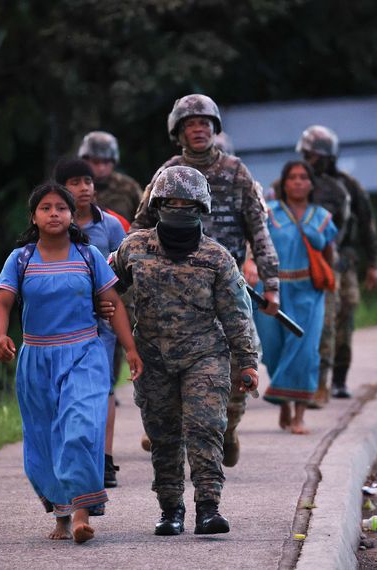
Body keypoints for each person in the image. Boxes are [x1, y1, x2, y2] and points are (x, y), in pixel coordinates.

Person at [131, 94, 279, 467]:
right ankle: (179, 436)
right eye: (190, 124)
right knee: (171, 374)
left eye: (204, 123)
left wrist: (271, 282)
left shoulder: (236, 171)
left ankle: (225, 430)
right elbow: (140, 229)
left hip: (227, 288)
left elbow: (258, 230)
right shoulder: (167, 173)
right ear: (178, 132)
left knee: (236, 374)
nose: (198, 129)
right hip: (172, 293)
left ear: (215, 129)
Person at [0, 182, 142, 543]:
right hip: (37, 359)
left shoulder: (88, 255)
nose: (54, 213)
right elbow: (2, 303)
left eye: (61, 207)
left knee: (81, 426)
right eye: (46, 207)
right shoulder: (21, 259)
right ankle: (61, 514)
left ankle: (81, 513)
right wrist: (0, 335)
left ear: (73, 216)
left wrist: (131, 349)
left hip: (84, 353)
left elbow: (114, 304)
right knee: (45, 440)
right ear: (34, 216)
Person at [112, 166, 259, 535]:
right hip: (152, 357)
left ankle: (208, 507)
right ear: (159, 205)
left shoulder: (217, 257)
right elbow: (105, 285)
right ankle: (170, 509)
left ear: (201, 207)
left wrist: (247, 362)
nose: (179, 208)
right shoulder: (134, 247)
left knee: (205, 429)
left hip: (205, 355)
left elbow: (236, 314)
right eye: (172, 202)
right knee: (163, 435)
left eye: (187, 203)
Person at [54, 158, 127, 488]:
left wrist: (106, 298)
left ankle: (105, 458)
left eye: (88, 181)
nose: (84, 188)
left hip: (103, 323)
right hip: (60, 324)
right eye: (74, 182)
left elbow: (124, 273)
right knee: (66, 390)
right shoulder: (53, 226)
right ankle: (72, 457)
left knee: (104, 387)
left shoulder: (111, 226)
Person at [269, 127, 351, 407]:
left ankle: (320, 386)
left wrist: (327, 273)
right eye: (293, 178)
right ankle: (285, 394)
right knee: (278, 341)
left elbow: (351, 227)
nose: (299, 182)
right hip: (284, 277)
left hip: (320, 271)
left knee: (322, 333)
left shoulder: (340, 190)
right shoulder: (275, 202)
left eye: (314, 155)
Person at [256, 161, 337, 434]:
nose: (299, 182)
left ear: (311, 184)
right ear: (285, 182)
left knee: (304, 351)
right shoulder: (270, 213)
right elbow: (255, 246)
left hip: (308, 291)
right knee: (274, 349)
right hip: (271, 288)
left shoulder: (322, 217)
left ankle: (300, 415)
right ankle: (284, 406)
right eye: (293, 177)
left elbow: (329, 256)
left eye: (304, 177)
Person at [304, 125, 377, 398]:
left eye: (314, 155)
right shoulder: (297, 181)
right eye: (307, 154)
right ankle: (308, 378)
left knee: (345, 313)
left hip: (343, 260)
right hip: (303, 261)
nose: (311, 161)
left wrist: (374, 264)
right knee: (309, 320)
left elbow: (367, 225)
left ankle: (339, 379)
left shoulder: (348, 186)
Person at [78, 130, 143, 225]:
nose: (101, 168)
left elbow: (144, 220)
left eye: (106, 162)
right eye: (96, 162)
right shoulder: (73, 186)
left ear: (114, 161)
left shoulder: (128, 187)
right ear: (85, 160)